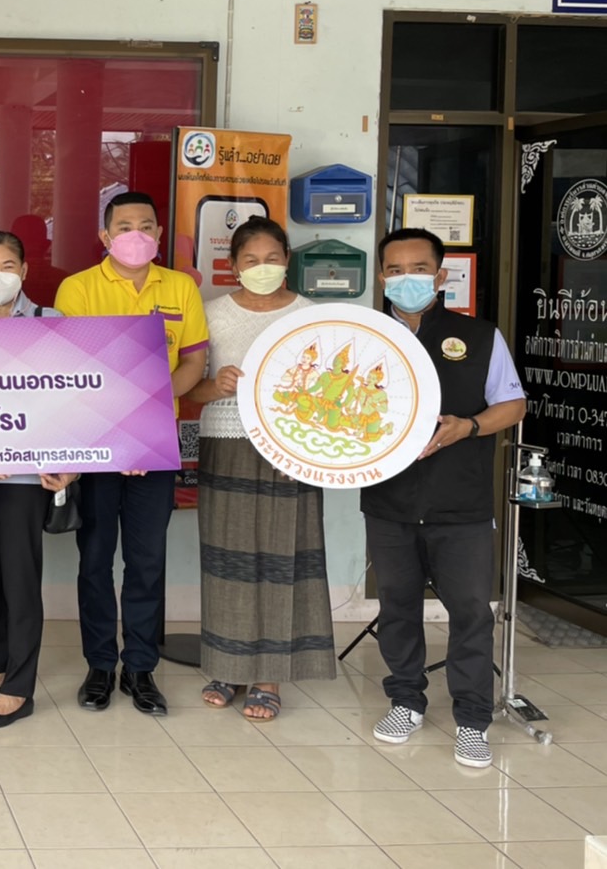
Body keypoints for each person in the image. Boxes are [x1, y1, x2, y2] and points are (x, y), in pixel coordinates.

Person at [363, 227, 525, 768]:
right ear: (381, 276)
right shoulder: (363, 336)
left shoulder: (478, 336)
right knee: (397, 606)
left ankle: (473, 720)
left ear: (440, 275)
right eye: (395, 270)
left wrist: (469, 426)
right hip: (388, 500)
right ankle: (405, 700)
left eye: (418, 269)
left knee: (471, 611)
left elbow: (513, 405)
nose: (406, 279)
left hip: (461, 502)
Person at [54, 191, 209, 717]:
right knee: (96, 559)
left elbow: (194, 362)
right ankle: (100, 665)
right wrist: (121, 425)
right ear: (105, 235)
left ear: (160, 234)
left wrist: (147, 414)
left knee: (147, 561)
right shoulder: (78, 289)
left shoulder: (181, 287)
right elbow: (74, 369)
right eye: (124, 226)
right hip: (96, 443)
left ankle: (141, 668)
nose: (136, 234)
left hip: (155, 443)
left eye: (146, 225)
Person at [183, 217, 333, 721]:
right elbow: (190, 389)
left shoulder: (311, 315)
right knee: (227, 560)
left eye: (271, 258)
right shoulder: (211, 314)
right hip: (227, 442)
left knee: (281, 559)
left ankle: (268, 675)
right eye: (251, 260)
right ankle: (227, 666)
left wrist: (307, 445)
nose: (262, 267)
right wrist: (217, 385)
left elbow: (330, 391)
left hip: (293, 450)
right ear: (232, 265)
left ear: (287, 260)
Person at [0, 230, 77, 729]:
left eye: (7, 266)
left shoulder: (51, 323)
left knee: (20, 576)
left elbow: (71, 398)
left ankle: (19, 688)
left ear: (25, 271)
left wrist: (71, 463)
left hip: (27, 478)